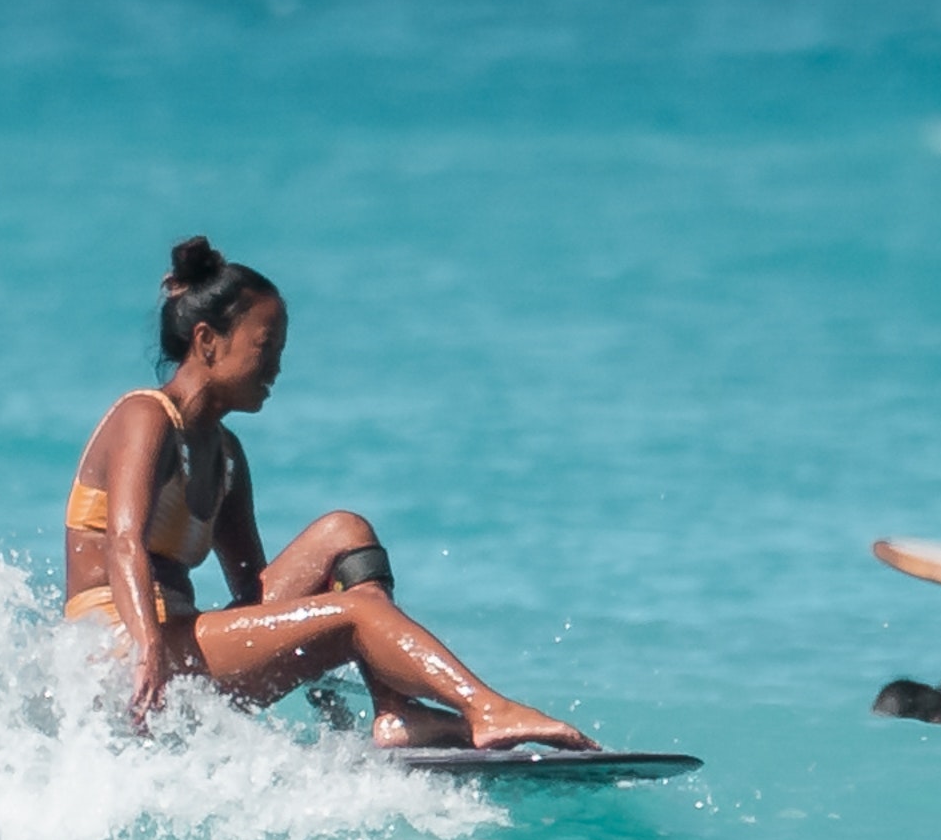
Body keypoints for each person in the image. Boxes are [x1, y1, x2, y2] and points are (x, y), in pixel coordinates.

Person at [64, 236, 589, 750]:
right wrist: (149, 648)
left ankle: (396, 710)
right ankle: (487, 709)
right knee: (354, 613)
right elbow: (124, 543)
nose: (276, 367)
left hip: (184, 642)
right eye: (265, 347)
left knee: (346, 532)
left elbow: (253, 592)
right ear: (207, 342)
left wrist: (321, 630)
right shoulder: (146, 416)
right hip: (125, 650)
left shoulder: (227, 456)